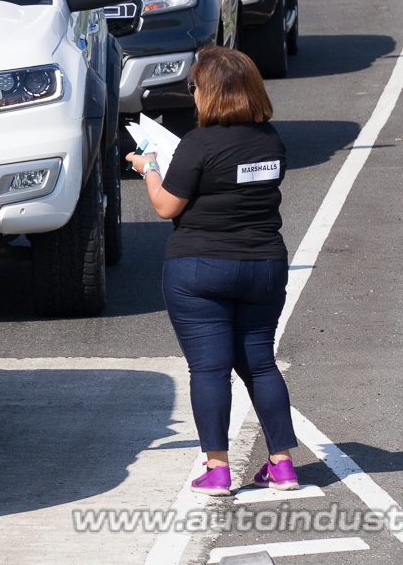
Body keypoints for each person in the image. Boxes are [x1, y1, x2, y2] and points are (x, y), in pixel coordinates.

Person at [126, 45, 299, 496]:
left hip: (200, 268)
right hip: (264, 265)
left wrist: (148, 167)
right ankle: (282, 466)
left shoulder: (199, 144)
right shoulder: (271, 140)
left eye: (194, 87)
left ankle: (217, 469)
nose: (192, 94)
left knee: (209, 368)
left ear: (210, 92)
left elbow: (166, 206)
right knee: (261, 363)